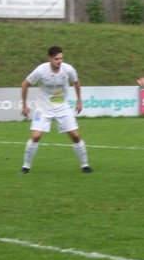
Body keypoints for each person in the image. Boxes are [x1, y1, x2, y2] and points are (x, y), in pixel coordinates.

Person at [20, 46, 92, 174]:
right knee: (36, 136)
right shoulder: (41, 71)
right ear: (49, 59)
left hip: (62, 107)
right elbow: (25, 84)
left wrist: (79, 101)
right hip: (43, 107)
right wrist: (24, 105)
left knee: (75, 135)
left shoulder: (68, 69)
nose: (59, 62)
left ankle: (85, 165)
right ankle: (26, 166)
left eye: (61, 59)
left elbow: (76, 81)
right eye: (56, 59)